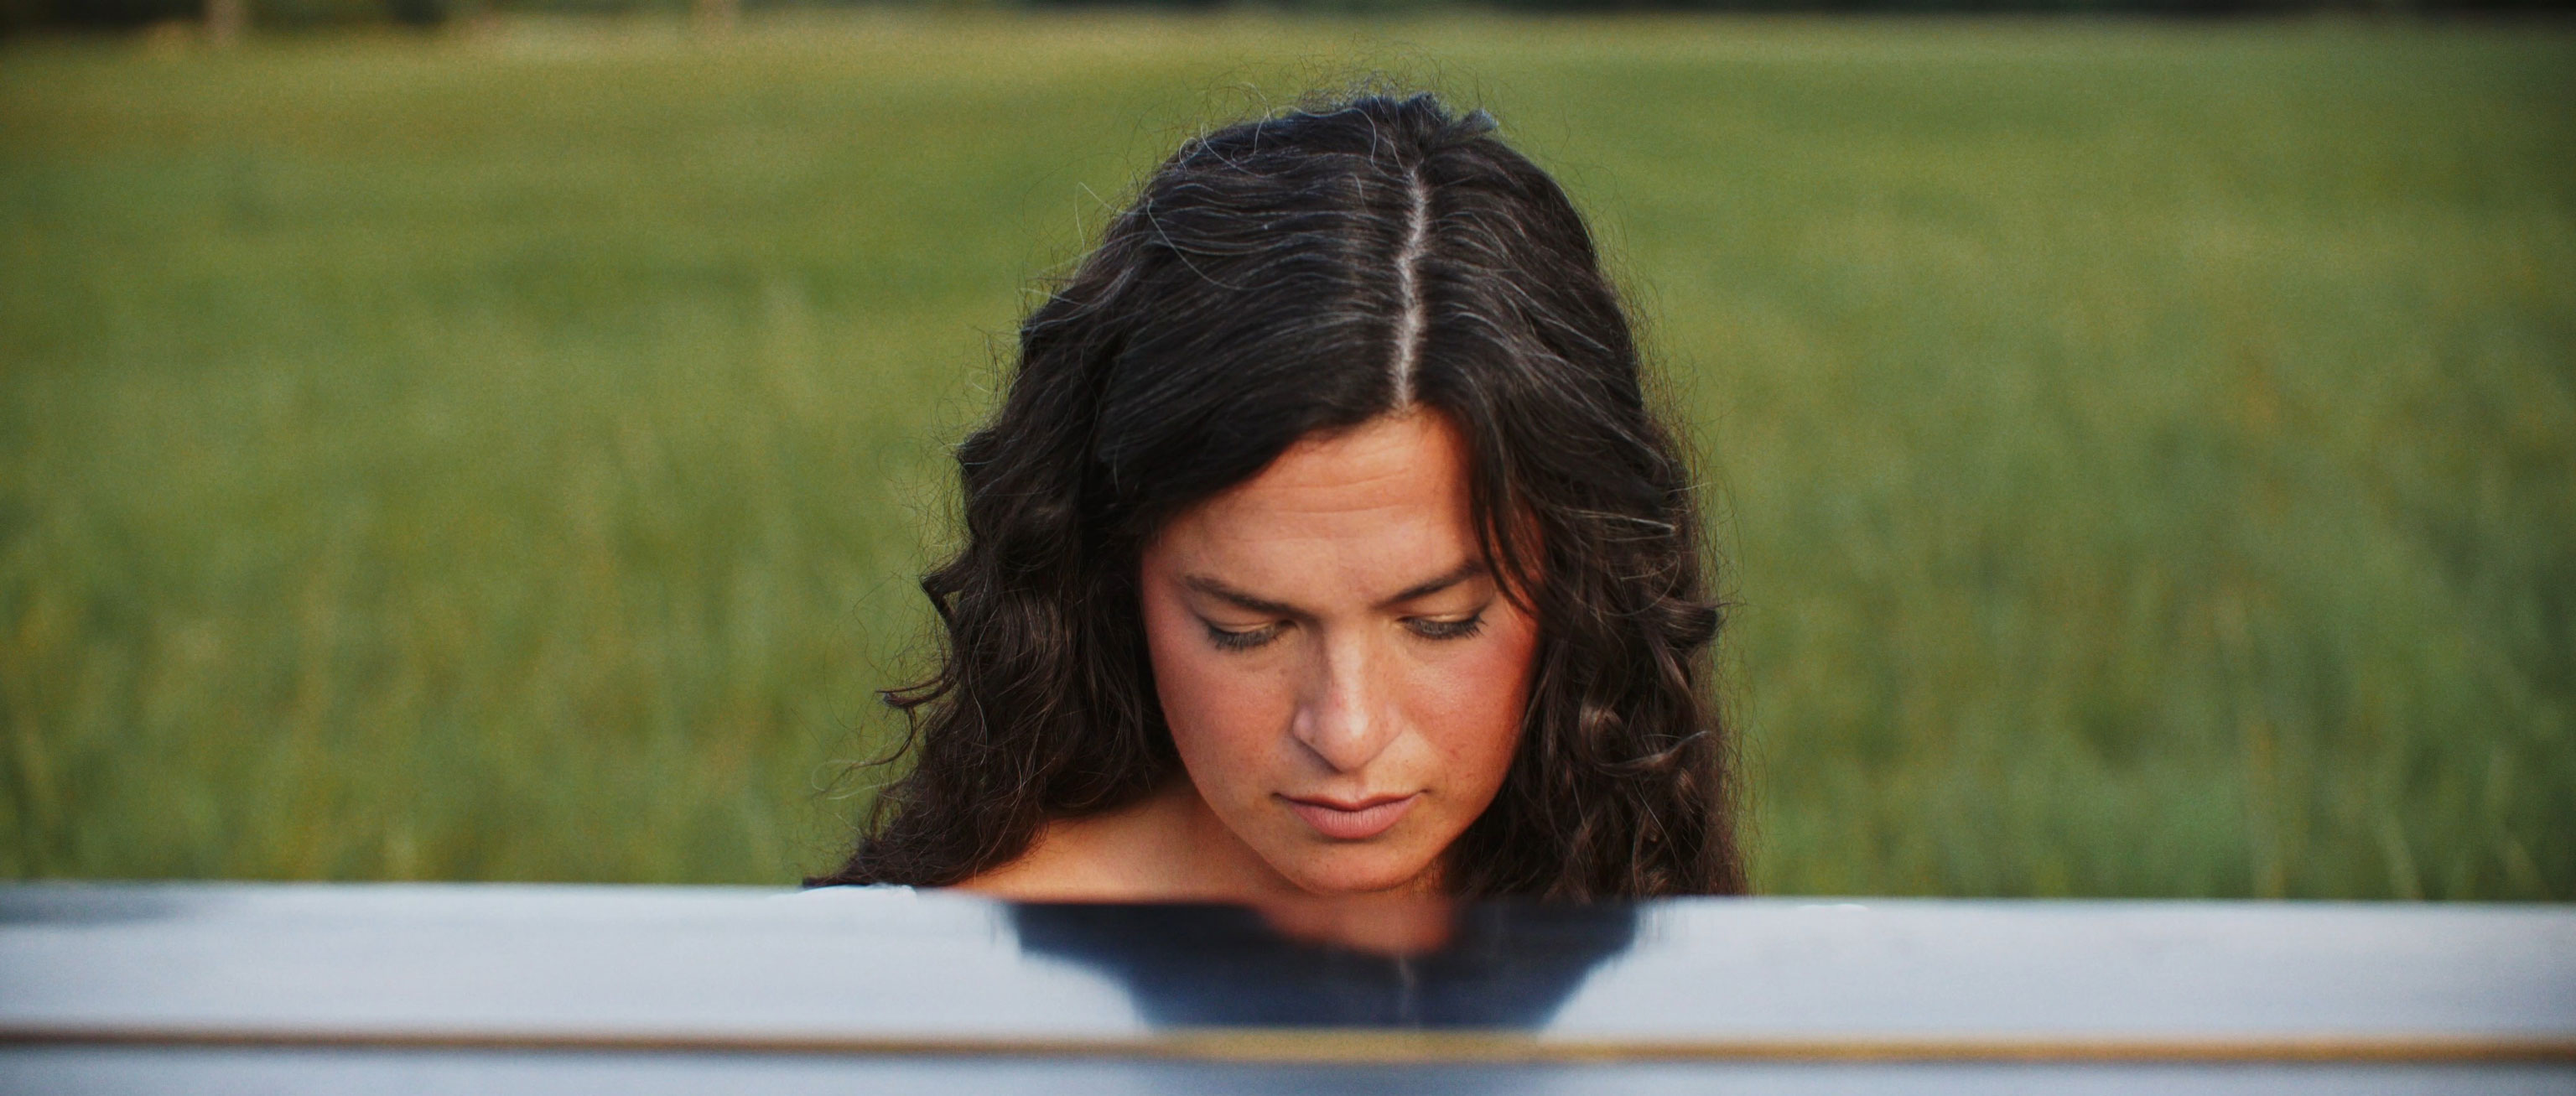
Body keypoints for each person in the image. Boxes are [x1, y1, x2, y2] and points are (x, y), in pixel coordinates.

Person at [810, 91, 1742, 901]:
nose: (1345, 731)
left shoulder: (1636, 903)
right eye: (1246, 628)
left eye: (1442, 620)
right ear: (1108, 578)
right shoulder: (946, 979)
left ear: (1588, 587)